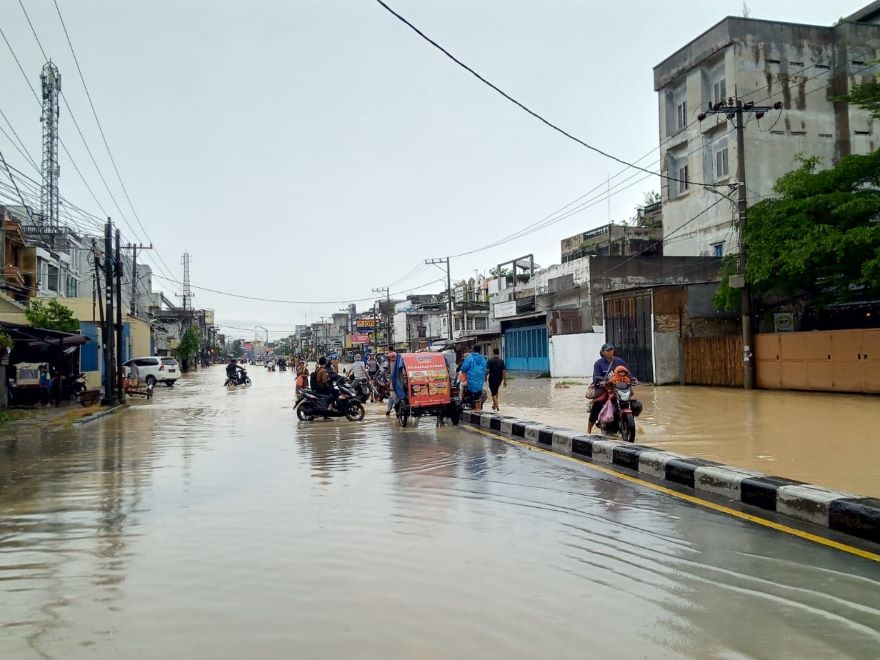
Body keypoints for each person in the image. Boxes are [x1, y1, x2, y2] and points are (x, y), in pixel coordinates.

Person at [587, 343, 630, 434]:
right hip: (606, 388)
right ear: (603, 352)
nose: (610, 352)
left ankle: (627, 421)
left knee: (631, 399)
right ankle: (589, 429)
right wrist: (602, 381)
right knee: (597, 404)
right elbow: (596, 377)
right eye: (608, 350)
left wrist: (634, 379)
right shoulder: (598, 363)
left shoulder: (620, 361)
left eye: (611, 350)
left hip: (619, 387)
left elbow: (628, 373)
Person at [459, 346, 487, 411]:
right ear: (480, 350)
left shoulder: (469, 358)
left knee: (473, 393)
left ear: (473, 350)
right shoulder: (483, 358)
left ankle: (476, 409)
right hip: (480, 378)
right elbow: (485, 368)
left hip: (471, 378)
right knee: (478, 393)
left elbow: (464, 368)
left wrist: (463, 371)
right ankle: (478, 408)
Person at [486, 348, 507, 412]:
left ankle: (497, 408)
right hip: (499, 379)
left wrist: (484, 376)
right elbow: (504, 371)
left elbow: (487, 370)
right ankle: (494, 405)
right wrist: (505, 380)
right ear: (499, 353)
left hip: (492, 378)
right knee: (496, 390)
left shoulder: (490, 361)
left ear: (493, 353)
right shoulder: (502, 361)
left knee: (493, 393)